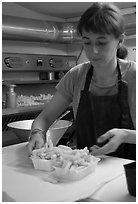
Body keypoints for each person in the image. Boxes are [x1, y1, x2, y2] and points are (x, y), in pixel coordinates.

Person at [28, 2, 136, 160]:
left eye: (101, 42)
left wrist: (125, 135)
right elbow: (44, 118)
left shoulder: (134, 74)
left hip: (129, 172)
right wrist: (37, 133)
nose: (93, 51)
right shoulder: (76, 76)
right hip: (84, 167)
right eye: (87, 42)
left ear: (119, 40)